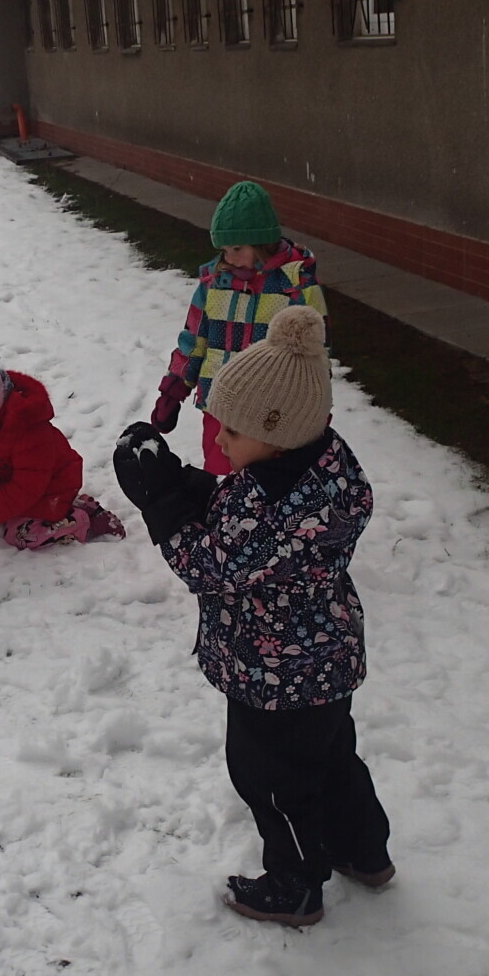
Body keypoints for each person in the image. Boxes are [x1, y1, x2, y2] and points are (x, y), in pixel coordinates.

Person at [115, 307, 392, 927]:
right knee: (333, 761)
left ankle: (295, 887)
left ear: (277, 432)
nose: (219, 441)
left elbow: (209, 566)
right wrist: (187, 482)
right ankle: (364, 852)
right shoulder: (320, 462)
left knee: (273, 782)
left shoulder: (268, 503)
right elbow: (240, 517)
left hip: (273, 675)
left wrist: (161, 503)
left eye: (232, 431)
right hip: (326, 661)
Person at [150, 182, 327, 473]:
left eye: (237, 248)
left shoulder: (296, 286)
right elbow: (194, 340)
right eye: (224, 250)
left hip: (271, 414)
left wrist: (315, 407)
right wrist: (173, 390)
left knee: (271, 481)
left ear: (262, 243)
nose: (229, 258)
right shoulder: (214, 284)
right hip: (220, 406)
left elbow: (315, 351)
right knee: (222, 476)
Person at [0, 343, 124, 549]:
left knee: (21, 535)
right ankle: (78, 504)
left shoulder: (26, 428)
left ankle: (79, 520)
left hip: (52, 485)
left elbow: (29, 484)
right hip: (9, 482)